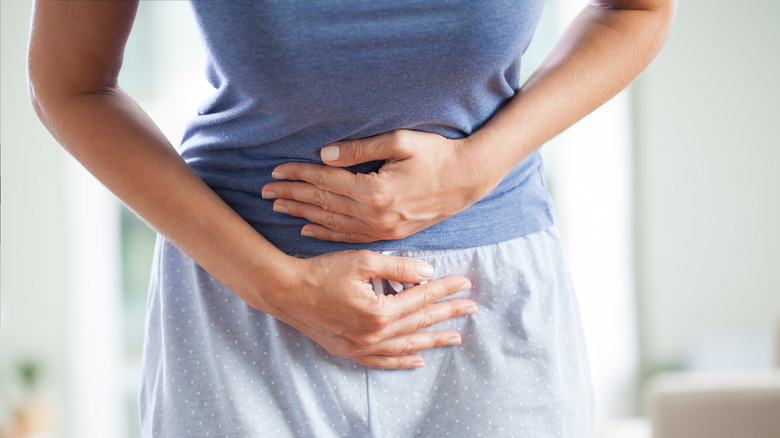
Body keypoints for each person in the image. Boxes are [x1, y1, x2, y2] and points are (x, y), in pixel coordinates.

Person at [28, 0, 676, 436]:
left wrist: (478, 165)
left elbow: (638, 9)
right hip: (243, 311)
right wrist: (277, 286)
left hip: (485, 304)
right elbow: (70, 84)